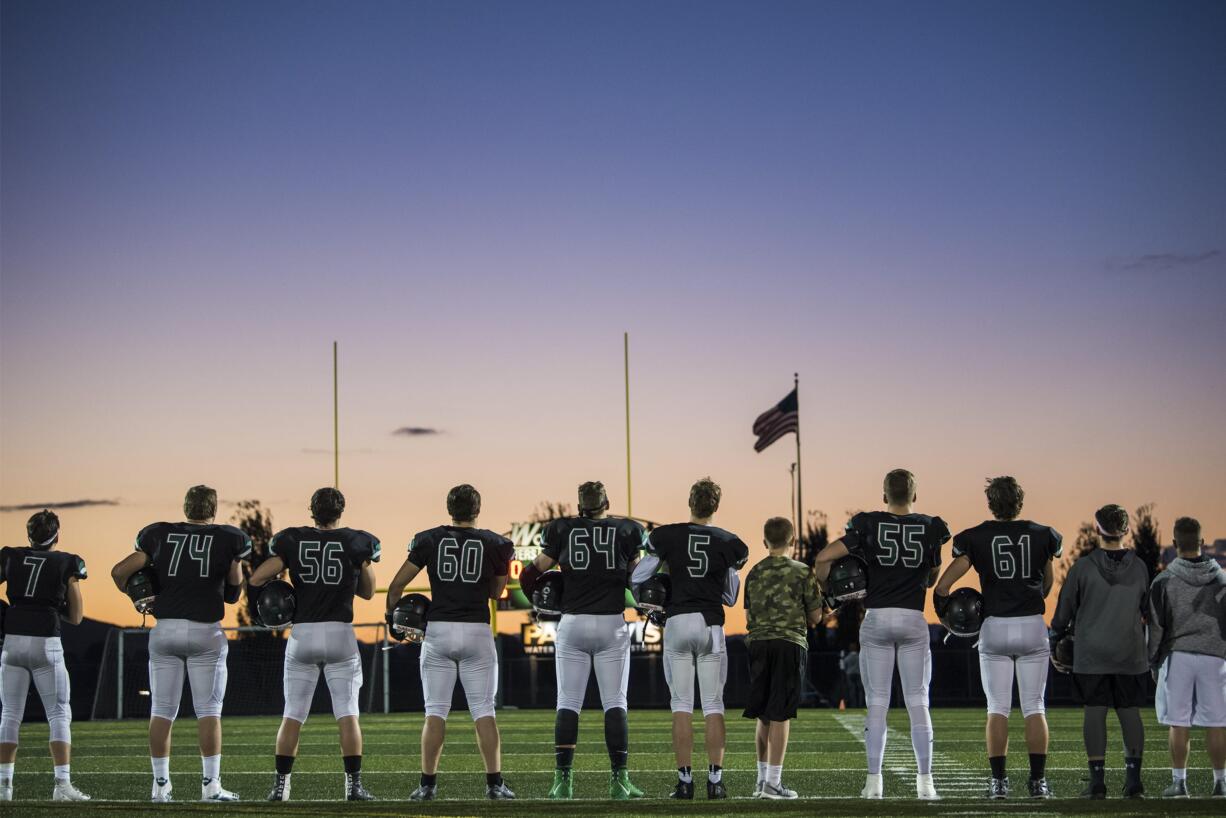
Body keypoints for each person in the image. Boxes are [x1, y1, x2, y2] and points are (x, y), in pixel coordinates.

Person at [111, 485, 251, 802]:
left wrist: (137, 595)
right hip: (206, 631)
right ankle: (210, 787)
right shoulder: (229, 538)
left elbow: (120, 572)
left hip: (165, 630)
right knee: (209, 712)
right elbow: (232, 593)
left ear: (186, 507)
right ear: (213, 509)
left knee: (161, 710)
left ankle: (160, 786)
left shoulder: (158, 534)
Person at [815, 468, 949, 800]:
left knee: (877, 703)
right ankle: (926, 784)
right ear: (914, 495)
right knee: (918, 701)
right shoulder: (931, 527)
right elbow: (932, 578)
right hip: (912, 617)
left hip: (876, 617)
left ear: (884, 495)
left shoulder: (868, 524)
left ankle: (874, 783)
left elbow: (823, 557)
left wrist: (827, 591)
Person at [934, 476, 1062, 799]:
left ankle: (999, 783)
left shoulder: (976, 537)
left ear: (991, 503)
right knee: (1035, 707)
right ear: (1020, 502)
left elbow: (943, 586)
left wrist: (947, 616)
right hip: (1032, 624)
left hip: (995, 627)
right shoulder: (1043, 535)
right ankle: (1037, 783)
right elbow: (1047, 584)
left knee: (997, 708)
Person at [248, 488, 380, 802]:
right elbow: (369, 592)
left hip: (303, 635)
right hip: (339, 634)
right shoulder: (356, 542)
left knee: (292, 714)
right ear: (341, 510)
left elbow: (256, 579)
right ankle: (353, 788)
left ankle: (280, 788)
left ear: (312, 511)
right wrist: (358, 565)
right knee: (348, 714)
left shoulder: (291, 540)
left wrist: (282, 589)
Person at [385, 484, 515, 801]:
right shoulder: (495, 543)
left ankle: (427, 785)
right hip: (475, 630)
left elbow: (397, 585)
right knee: (484, 711)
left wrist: (393, 621)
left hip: (439, 631)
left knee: (435, 712)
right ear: (478, 509)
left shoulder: (429, 539)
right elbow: (496, 594)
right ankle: (494, 784)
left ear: (448, 509)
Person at [519, 481, 645, 800]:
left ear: (580, 506)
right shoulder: (627, 530)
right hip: (611, 623)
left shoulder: (562, 530)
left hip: (572, 623)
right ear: (607, 503)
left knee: (567, 702)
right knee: (615, 702)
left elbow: (528, 576)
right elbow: (639, 579)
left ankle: (563, 782)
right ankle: (619, 781)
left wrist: (548, 593)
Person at [630, 477, 748, 800]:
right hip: (711, 623)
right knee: (714, 705)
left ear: (690, 503)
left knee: (681, 706)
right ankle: (716, 782)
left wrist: (652, 601)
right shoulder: (728, 541)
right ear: (716, 506)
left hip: (679, 621)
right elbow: (731, 595)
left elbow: (639, 577)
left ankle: (684, 783)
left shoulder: (668, 536)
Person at [1050, 504, 1149, 799]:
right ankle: (1133, 782)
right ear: (1126, 530)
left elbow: (1063, 612)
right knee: (1130, 713)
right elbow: (1150, 610)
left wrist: (1056, 637)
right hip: (1130, 652)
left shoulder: (1083, 566)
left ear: (1097, 529)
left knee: (1094, 712)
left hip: (1092, 653)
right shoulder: (1141, 567)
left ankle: (1097, 782)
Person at [0, 510, 90, 801]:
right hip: (46, 644)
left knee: (10, 715)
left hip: (12, 642)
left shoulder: (10, 556)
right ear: (57, 534)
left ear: (29, 534)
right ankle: (62, 785)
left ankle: (4, 786)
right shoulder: (67, 562)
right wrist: (53, 606)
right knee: (59, 713)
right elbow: (76, 617)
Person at [741, 517, 822, 799]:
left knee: (763, 714)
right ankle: (773, 783)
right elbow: (815, 616)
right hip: (789, 643)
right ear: (793, 541)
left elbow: (748, 616)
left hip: (758, 643)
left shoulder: (754, 572)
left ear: (765, 542)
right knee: (781, 713)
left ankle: (762, 780)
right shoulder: (802, 572)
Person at [1148, 516, 1226, 798]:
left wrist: (1153, 661)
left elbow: (1156, 627)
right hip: (1215, 655)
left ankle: (1179, 783)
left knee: (1178, 721)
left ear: (1174, 543)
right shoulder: (1221, 579)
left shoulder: (1164, 581)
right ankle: (1221, 782)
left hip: (1178, 654)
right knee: (1217, 721)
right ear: (1202, 542)